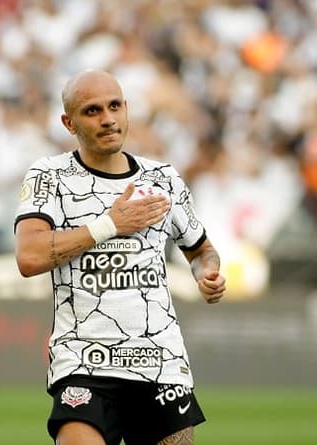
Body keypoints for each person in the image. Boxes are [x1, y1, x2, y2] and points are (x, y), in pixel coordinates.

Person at [14, 70, 226, 445]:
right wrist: (109, 224)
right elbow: (29, 256)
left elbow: (201, 250)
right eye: (92, 110)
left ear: (127, 109)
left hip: (159, 359)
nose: (108, 118)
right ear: (69, 123)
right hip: (84, 361)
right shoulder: (50, 176)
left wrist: (206, 274)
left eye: (115, 106)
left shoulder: (163, 179)